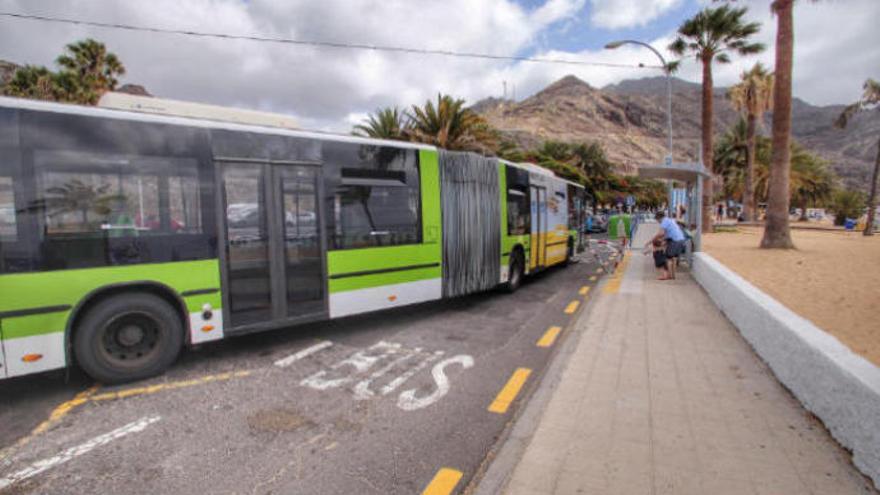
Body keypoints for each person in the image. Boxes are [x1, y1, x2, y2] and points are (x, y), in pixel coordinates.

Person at [647, 210, 686, 280]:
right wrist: (663, 240)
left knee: (668, 258)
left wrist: (651, 240)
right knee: (674, 257)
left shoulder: (664, 222)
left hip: (675, 241)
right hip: (681, 239)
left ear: (659, 218)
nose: (657, 221)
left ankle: (668, 276)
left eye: (657, 219)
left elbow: (661, 233)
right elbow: (667, 234)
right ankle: (673, 275)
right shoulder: (670, 220)